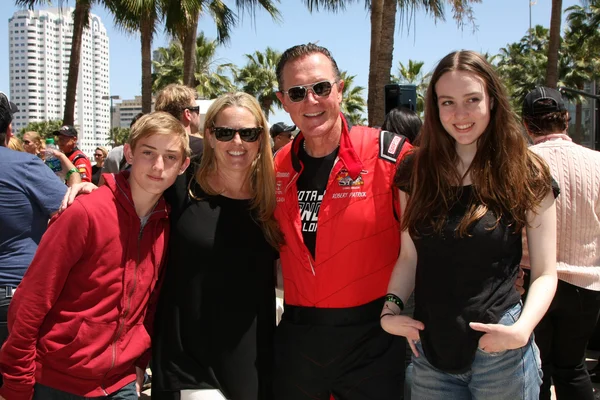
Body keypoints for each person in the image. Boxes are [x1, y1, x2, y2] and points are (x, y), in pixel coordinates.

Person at [381, 50, 557, 400]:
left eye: (472, 99)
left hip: (500, 349)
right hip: (431, 350)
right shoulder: (414, 172)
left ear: (492, 100)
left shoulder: (526, 171)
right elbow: (409, 257)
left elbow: (546, 272)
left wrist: (522, 331)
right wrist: (390, 310)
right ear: (434, 107)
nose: (460, 114)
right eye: (447, 102)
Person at [0, 112, 191, 400]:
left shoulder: (165, 225)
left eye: (170, 157)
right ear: (128, 152)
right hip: (57, 380)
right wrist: (17, 386)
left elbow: (148, 307)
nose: (158, 165)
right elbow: (29, 304)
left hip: (120, 382)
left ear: (183, 165)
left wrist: (139, 363)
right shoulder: (85, 212)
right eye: (148, 152)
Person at [272, 43, 413, 399]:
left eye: (321, 88)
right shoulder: (274, 168)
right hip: (299, 342)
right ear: (283, 100)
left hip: (375, 340)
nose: (311, 101)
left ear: (340, 88)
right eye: (297, 93)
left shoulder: (391, 156)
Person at [151, 92, 281, 400]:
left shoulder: (274, 195)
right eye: (225, 133)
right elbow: (131, 195)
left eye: (248, 133)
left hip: (251, 353)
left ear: (261, 138)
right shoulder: (182, 182)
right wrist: (83, 184)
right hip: (188, 353)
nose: (237, 142)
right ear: (209, 135)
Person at [520, 86, 600, 400]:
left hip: (531, 280)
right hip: (586, 282)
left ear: (526, 124)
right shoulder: (596, 162)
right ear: (566, 118)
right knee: (573, 368)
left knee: (534, 370)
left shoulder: (519, 161)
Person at [0, 92, 67, 348]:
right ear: (9, 130)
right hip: (15, 292)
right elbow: (70, 210)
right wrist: (71, 173)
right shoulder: (25, 165)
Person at [154, 84, 204, 157]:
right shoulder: (205, 149)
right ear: (188, 114)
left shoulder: (146, 147)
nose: (199, 114)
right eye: (197, 109)